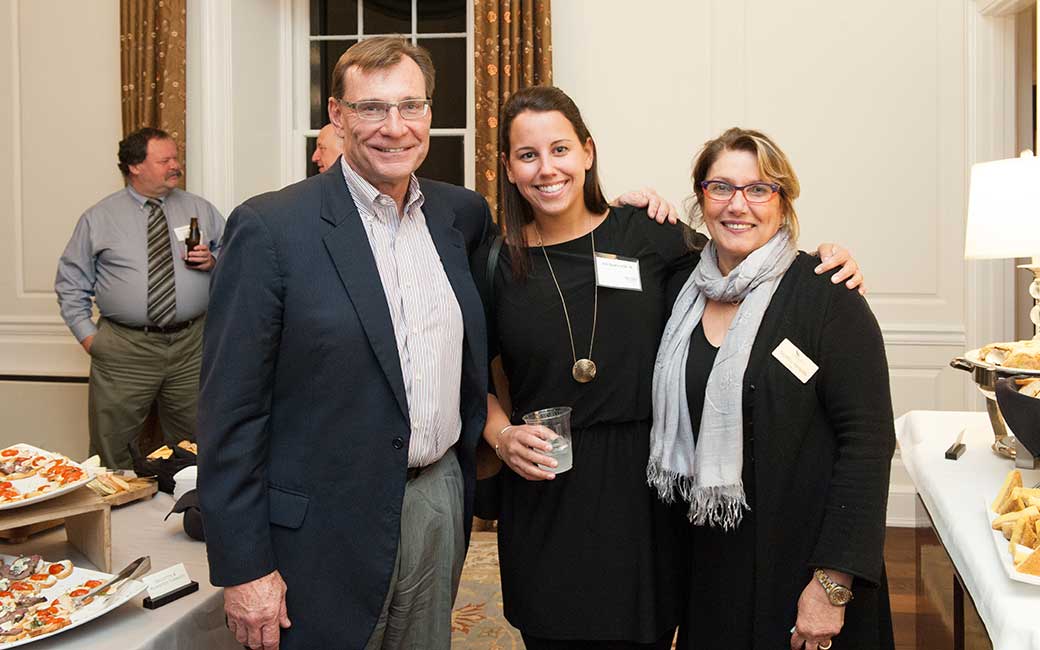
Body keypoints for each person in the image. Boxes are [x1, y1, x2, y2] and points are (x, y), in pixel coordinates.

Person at [474, 87, 864, 650]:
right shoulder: (494, 262)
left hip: (646, 493)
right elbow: (470, 380)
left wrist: (828, 259)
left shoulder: (647, 234)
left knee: (648, 634)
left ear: (588, 151)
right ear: (508, 169)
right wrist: (502, 434)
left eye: (560, 149)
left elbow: (746, 257)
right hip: (546, 491)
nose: (547, 168)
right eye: (527, 155)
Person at [648, 128, 895, 650]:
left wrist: (833, 584)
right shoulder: (678, 290)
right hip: (710, 564)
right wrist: (629, 200)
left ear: (782, 203)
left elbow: (868, 444)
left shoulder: (827, 293)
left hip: (804, 563)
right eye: (721, 187)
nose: (739, 205)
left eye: (759, 189)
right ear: (701, 198)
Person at [55, 127, 224, 469]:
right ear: (135, 166)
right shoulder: (99, 218)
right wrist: (91, 340)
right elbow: (70, 284)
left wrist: (214, 261)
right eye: (165, 160)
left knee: (198, 443)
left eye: (175, 158)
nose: (175, 165)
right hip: (125, 348)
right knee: (112, 448)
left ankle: (190, 517)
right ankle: (112, 521)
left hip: (192, 346)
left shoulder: (200, 209)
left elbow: (238, 262)